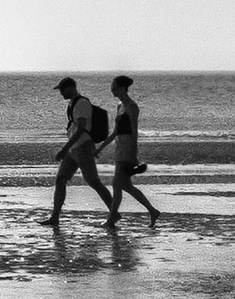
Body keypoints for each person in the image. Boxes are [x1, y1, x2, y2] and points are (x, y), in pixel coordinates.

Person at [40, 76, 114, 227]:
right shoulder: (73, 103)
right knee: (60, 179)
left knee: (94, 182)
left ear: (71, 88)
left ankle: (114, 213)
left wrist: (64, 149)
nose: (61, 93)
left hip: (83, 148)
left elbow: (81, 129)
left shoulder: (82, 103)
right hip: (74, 149)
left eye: (62, 89)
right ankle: (54, 217)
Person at [97, 74, 161, 228]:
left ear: (121, 88)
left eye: (113, 86)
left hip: (127, 150)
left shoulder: (132, 107)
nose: (111, 89)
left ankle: (112, 219)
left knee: (116, 184)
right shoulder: (120, 106)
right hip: (119, 149)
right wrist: (100, 147)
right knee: (124, 186)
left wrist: (133, 154)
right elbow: (115, 132)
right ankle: (152, 211)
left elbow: (134, 131)